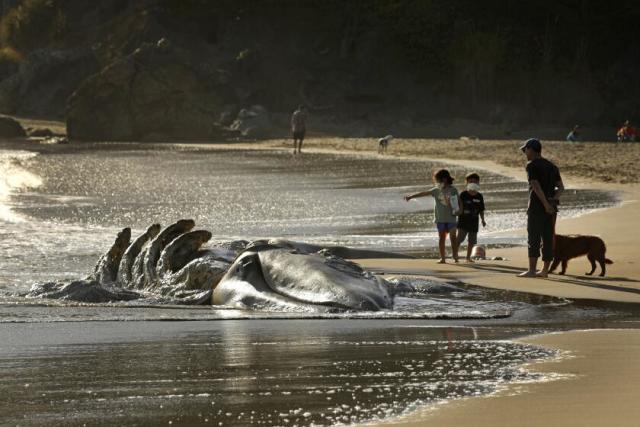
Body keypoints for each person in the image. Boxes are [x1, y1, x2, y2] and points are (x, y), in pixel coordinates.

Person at [517, 138, 564, 278]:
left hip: (537, 207)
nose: (525, 153)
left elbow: (535, 186)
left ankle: (532, 270)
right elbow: (561, 187)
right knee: (548, 238)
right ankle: (544, 271)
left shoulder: (531, 165)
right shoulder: (552, 166)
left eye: (525, 150)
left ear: (531, 149)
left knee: (534, 238)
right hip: (552, 208)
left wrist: (545, 204)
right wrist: (552, 201)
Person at [405, 169, 461, 263]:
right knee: (442, 238)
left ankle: (455, 255)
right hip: (440, 219)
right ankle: (443, 258)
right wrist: (411, 196)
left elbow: (458, 201)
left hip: (451, 218)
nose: (437, 182)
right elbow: (424, 193)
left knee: (453, 238)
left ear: (444, 179)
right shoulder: (436, 190)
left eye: (438, 180)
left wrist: (460, 210)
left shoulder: (453, 190)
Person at [457, 173, 486, 262]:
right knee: (459, 239)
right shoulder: (463, 194)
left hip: (474, 222)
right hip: (463, 221)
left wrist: (483, 220)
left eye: (475, 181)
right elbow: (458, 206)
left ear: (478, 183)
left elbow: (481, 209)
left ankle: (468, 257)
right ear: (466, 183)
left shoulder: (479, 196)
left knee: (472, 241)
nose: (473, 183)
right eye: (470, 181)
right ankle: (455, 254)